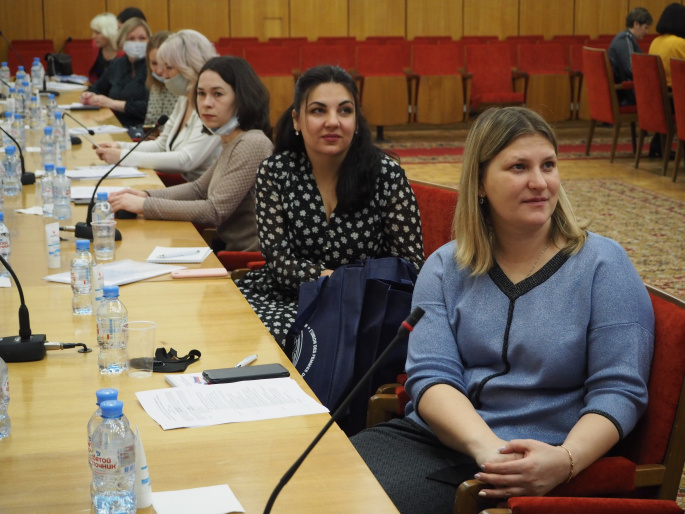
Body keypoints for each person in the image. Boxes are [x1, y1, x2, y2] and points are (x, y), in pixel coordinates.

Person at [351, 107, 654, 514]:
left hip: (544, 454)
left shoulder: (603, 264)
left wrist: (565, 460)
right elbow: (432, 376)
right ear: (480, 183)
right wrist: (488, 449)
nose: (539, 182)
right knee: (319, 481)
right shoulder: (445, 267)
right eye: (518, 167)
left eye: (548, 165)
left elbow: (619, 391)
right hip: (443, 438)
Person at [234, 65, 425, 348]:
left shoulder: (386, 175)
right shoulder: (275, 172)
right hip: (287, 295)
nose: (333, 121)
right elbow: (278, 261)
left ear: (356, 121)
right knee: (233, 324)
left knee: (302, 340)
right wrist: (333, 279)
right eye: (318, 111)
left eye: (345, 111)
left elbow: (411, 265)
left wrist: (352, 287)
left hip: (363, 306)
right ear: (297, 120)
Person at [107, 56, 273, 252]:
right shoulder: (232, 139)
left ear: (242, 97)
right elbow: (198, 189)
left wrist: (144, 205)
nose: (206, 103)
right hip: (228, 251)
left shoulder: (252, 143)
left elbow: (214, 211)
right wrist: (145, 195)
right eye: (201, 94)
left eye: (218, 94)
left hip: (248, 261)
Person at [94, 30, 221, 182]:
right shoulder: (184, 98)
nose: (163, 75)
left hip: (200, 189)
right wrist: (119, 147)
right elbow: (161, 145)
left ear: (191, 66)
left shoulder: (213, 105)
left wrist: (123, 157)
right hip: (183, 185)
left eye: (169, 68)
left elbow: (186, 160)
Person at [80, 17, 151, 128]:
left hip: (141, 129)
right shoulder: (117, 64)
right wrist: (89, 95)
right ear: (122, 41)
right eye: (131, 39)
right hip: (114, 124)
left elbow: (149, 108)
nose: (137, 43)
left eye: (142, 38)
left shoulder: (153, 67)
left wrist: (112, 103)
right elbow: (97, 88)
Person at [648, 3, 685, 157]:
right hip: (674, 100)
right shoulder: (679, 43)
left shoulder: (655, 41)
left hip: (658, 98)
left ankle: (658, 143)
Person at [607, 7, 652, 106]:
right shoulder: (625, 39)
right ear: (636, 24)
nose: (647, 32)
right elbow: (631, 69)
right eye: (645, 28)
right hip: (624, 95)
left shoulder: (626, 38)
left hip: (622, 91)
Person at [143, 31, 177, 127]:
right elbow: (150, 121)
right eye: (154, 63)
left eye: (163, 63)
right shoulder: (155, 85)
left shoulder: (182, 90)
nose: (159, 70)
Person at [88, 13, 119, 83]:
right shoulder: (96, 47)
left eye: (97, 33)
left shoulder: (123, 53)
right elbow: (95, 74)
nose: (93, 37)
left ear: (109, 33)